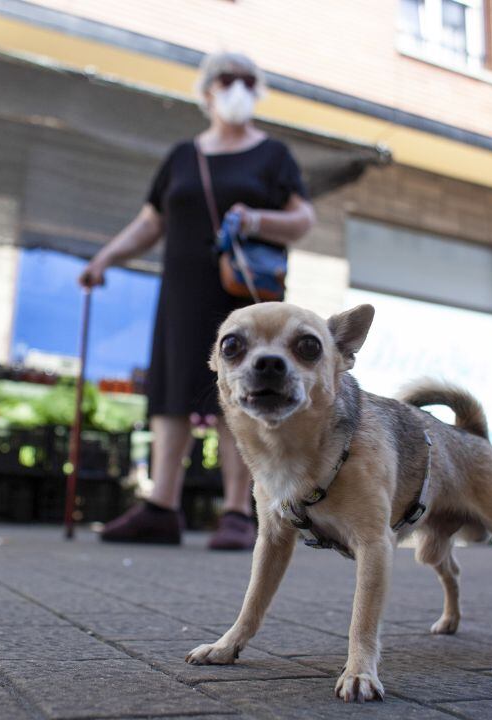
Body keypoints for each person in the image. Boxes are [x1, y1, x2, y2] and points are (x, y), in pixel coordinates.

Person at [78, 51, 315, 549]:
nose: (239, 88)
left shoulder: (273, 156)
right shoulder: (183, 157)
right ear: (206, 90)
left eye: (250, 80)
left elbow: (303, 220)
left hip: (244, 293)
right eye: (229, 79)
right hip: (183, 290)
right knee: (172, 389)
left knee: (246, 389)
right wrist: (103, 259)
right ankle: (162, 505)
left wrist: (256, 220)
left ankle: (237, 511)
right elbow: (150, 222)